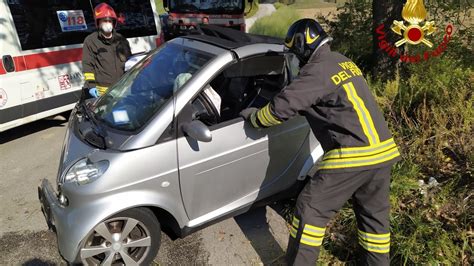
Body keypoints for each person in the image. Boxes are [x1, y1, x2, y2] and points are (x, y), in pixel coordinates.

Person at [240, 19, 401, 266]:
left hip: (353, 155)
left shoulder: (316, 69)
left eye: (295, 52)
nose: (295, 58)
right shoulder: (341, 61)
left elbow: (281, 108)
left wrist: (255, 119)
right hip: (382, 154)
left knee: (310, 210)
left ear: (303, 44)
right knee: (374, 222)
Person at [82, 3, 131, 100]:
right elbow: (88, 65)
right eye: (104, 20)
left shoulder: (121, 40)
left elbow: (129, 61)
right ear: (98, 22)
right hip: (103, 92)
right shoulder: (91, 41)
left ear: (114, 23)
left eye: (110, 20)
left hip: (121, 88)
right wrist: (91, 86)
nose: (108, 23)